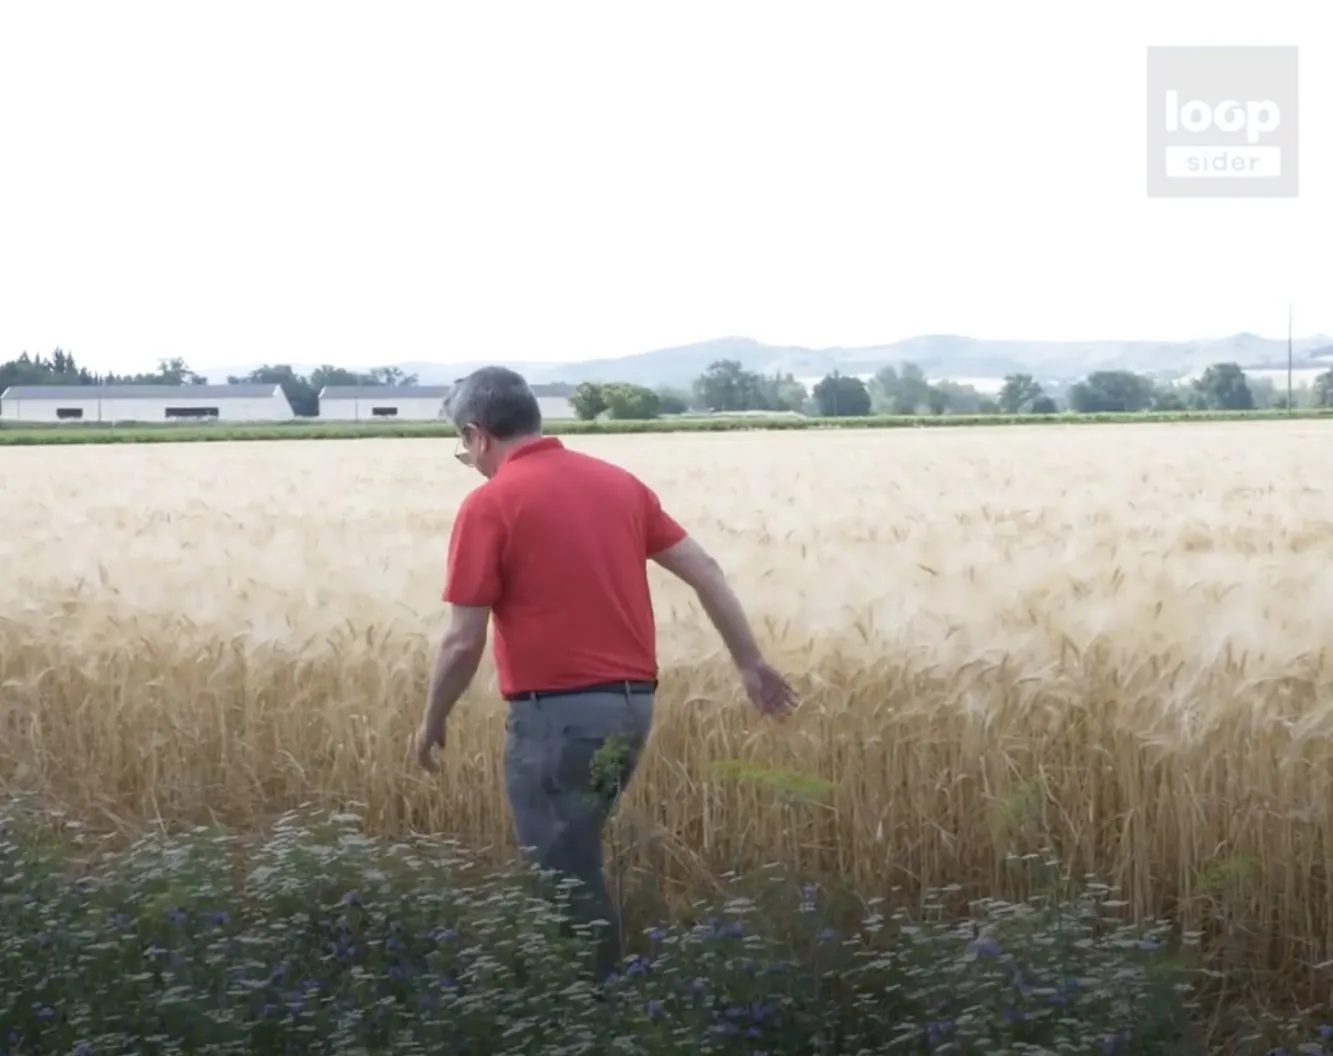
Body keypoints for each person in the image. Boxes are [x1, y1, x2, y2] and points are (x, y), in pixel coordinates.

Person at [413, 365, 798, 981]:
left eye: (464, 450)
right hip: (630, 709)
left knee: (561, 879)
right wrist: (749, 663)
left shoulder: (490, 503)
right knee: (578, 858)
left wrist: (431, 720)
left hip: (556, 718)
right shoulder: (618, 484)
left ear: (478, 434)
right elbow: (706, 569)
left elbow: (462, 641)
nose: (469, 461)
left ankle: (589, 1008)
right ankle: (598, 997)